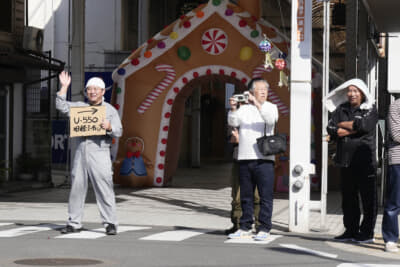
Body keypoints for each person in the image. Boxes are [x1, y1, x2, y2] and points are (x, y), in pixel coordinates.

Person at [56, 71, 122, 235]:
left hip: (100, 152)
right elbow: (61, 106)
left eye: (95, 89)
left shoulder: (109, 110)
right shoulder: (80, 107)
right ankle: (74, 222)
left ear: (102, 91)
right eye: (89, 89)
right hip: (80, 151)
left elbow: (119, 131)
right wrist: (64, 87)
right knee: (77, 188)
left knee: (104, 188)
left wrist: (109, 127)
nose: (92, 92)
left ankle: (110, 223)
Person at [325, 78, 378, 243]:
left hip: (365, 162)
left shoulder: (370, 108)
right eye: (350, 91)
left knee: (368, 199)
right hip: (345, 160)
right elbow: (331, 128)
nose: (352, 94)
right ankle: (351, 230)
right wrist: (351, 127)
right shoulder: (341, 109)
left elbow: (365, 125)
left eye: (355, 91)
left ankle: (367, 232)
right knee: (348, 198)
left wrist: (344, 127)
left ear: (362, 93)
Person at [227, 78, 278, 241]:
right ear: (251, 92)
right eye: (260, 89)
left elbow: (270, 120)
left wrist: (257, 103)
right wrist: (233, 108)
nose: (264, 91)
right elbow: (233, 122)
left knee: (265, 196)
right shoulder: (244, 109)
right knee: (246, 196)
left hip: (265, 159)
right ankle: (245, 226)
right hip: (245, 157)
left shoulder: (271, 107)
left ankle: (264, 227)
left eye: (265, 89)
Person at [225, 127, 260, 235]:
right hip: (239, 160)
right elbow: (231, 139)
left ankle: (260, 225)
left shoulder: (262, 118)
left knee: (257, 195)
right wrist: (235, 139)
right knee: (237, 196)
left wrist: (244, 140)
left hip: (258, 160)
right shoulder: (237, 118)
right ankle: (237, 224)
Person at [382, 96, 400, 252]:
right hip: (398, 159)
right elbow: (396, 134)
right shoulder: (396, 106)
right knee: (394, 201)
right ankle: (390, 238)